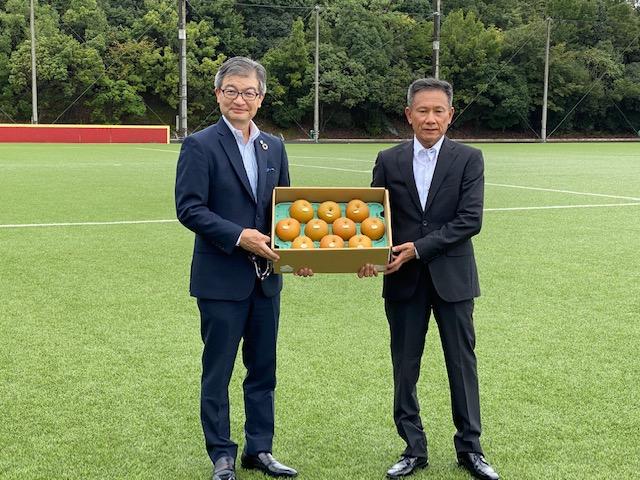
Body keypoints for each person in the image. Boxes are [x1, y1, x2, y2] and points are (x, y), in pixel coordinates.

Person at [359, 78, 499, 480]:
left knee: (462, 363)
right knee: (405, 365)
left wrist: (418, 249)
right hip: (402, 281)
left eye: (439, 111)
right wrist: (368, 255)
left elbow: (469, 221)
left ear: (450, 115)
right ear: (409, 115)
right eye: (423, 110)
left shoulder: (469, 158)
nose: (431, 118)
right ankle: (412, 447)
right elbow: (373, 218)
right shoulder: (388, 159)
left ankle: (470, 449)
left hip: (452, 278)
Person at [175, 57, 300, 480]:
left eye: (249, 92)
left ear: (260, 99)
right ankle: (222, 456)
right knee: (219, 370)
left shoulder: (275, 146)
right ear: (218, 95)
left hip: (266, 282)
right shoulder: (200, 144)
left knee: (263, 369)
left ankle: (259, 450)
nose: (240, 99)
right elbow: (189, 209)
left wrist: (300, 252)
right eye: (231, 90)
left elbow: (284, 213)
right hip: (220, 279)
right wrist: (238, 236)